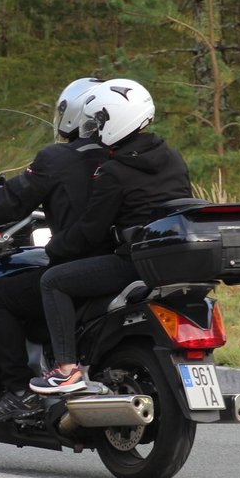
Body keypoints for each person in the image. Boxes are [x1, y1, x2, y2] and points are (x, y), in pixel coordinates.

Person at [0, 78, 107, 422]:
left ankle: (17, 391)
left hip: (80, 267)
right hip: (121, 264)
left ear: (72, 115)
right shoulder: (125, 158)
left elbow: (12, 201)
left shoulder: (58, 158)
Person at [23, 78, 193, 396]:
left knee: (53, 281)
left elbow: (90, 231)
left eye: (99, 120)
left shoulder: (114, 171)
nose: (96, 128)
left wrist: (55, 247)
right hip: (172, 260)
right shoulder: (172, 157)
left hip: (133, 263)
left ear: (114, 120)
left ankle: (66, 370)